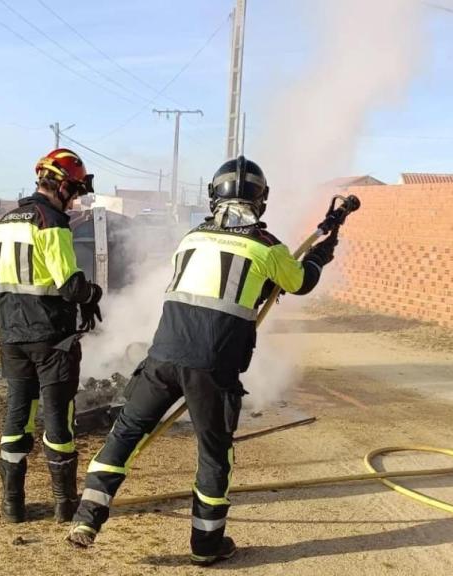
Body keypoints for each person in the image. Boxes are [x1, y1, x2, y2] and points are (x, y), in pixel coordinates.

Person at [66, 156, 339, 566]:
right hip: (212, 368)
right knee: (214, 454)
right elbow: (301, 282)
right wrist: (321, 254)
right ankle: (206, 545)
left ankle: (87, 518)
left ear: (214, 196)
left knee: (125, 434)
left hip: (162, 357)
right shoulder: (267, 247)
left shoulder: (192, 238)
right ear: (261, 200)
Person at [0, 148, 103, 524]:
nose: (74, 200)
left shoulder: (7, 220)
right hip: (51, 337)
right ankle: (64, 505)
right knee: (59, 418)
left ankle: (12, 505)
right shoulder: (51, 221)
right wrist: (93, 295)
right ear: (63, 185)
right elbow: (70, 285)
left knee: (17, 416)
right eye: (74, 191)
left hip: (11, 334)